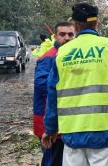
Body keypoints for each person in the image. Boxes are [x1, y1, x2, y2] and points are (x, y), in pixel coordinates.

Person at [42, 2, 108, 165]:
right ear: (98, 24)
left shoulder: (62, 53)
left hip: (72, 132)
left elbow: (52, 94)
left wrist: (50, 128)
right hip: (103, 133)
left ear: (75, 26)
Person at [33, 21, 76, 166]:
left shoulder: (68, 56)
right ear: (55, 36)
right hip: (49, 121)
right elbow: (42, 86)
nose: (67, 37)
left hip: (61, 122)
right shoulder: (50, 57)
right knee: (52, 161)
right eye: (62, 34)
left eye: (71, 34)